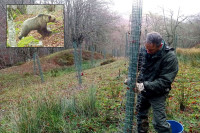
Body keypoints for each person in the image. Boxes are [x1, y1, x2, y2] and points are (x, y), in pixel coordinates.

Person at [126, 32, 179, 133]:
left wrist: (143, 85)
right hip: (143, 90)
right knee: (141, 116)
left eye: (151, 50)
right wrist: (131, 77)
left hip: (158, 92)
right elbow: (136, 65)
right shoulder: (144, 50)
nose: (148, 51)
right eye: (146, 49)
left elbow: (165, 82)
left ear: (159, 46)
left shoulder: (170, 57)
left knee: (159, 123)